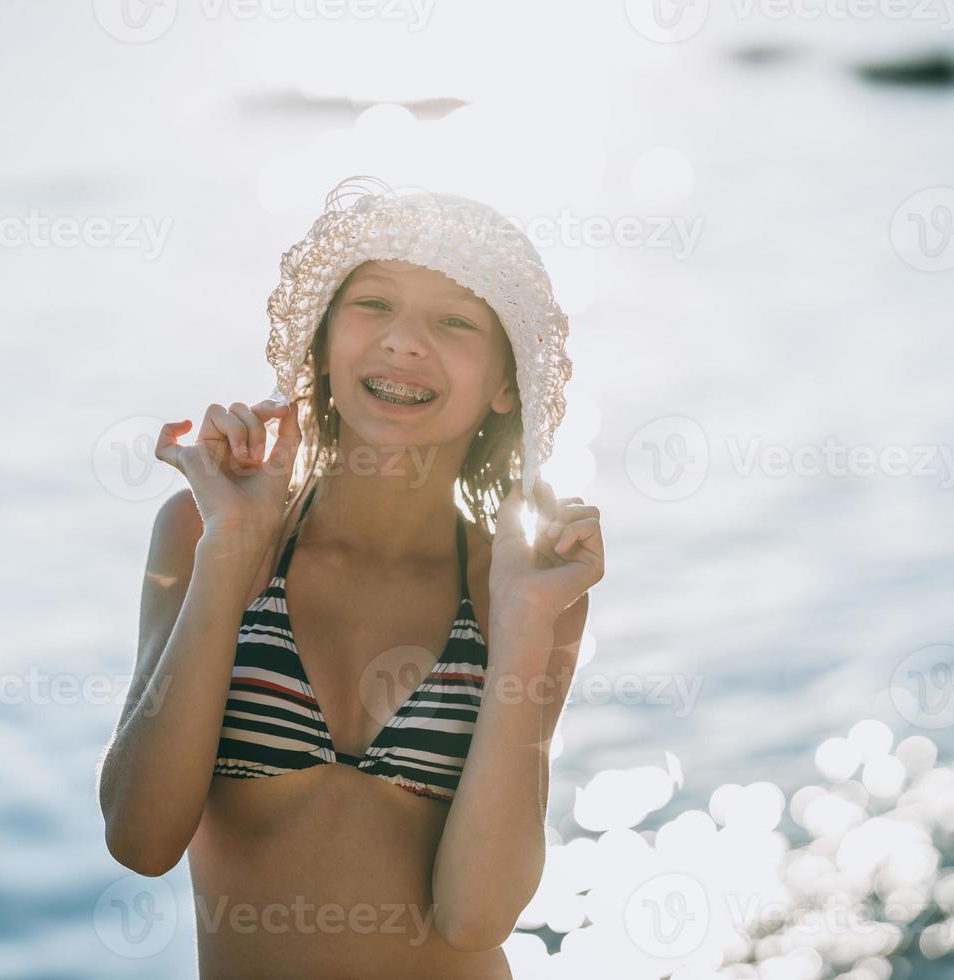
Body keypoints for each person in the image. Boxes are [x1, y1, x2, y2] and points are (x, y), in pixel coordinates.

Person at [98, 179, 604, 978]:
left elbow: (477, 914)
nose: (404, 342)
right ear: (323, 340)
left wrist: (526, 620)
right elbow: (139, 837)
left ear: (506, 383)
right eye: (373, 305)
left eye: (454, 320)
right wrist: (233, 550)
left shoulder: (523, 588)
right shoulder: (205, 530)